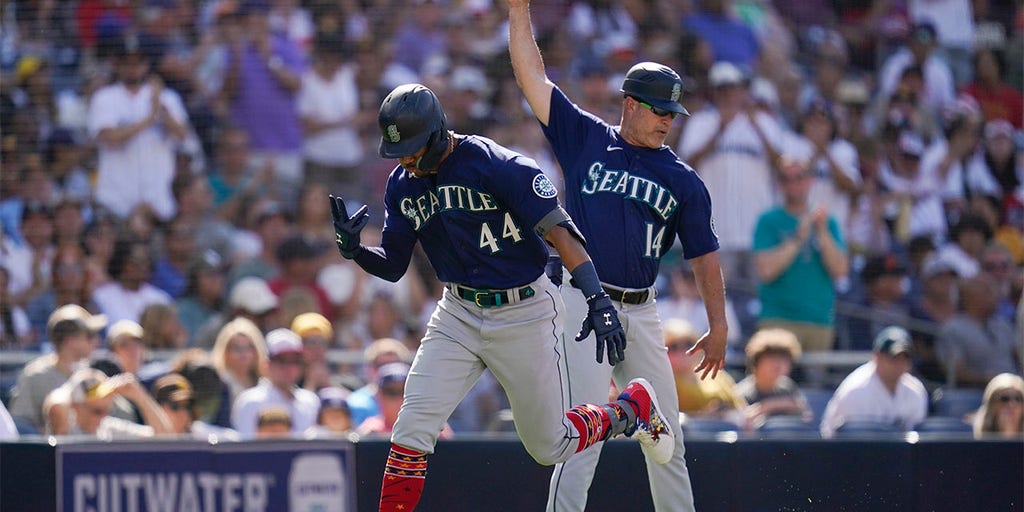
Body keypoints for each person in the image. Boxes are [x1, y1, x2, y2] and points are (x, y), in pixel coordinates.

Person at [329, 83, 671, 512]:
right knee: (411, 429)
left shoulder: (499, 164)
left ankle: (628, 409)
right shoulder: (403, 184)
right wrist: (356, 251)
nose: (405, 160)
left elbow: (562, 236)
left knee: (549, 446)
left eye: (413, 149)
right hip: (457, 313)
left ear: (437, 134)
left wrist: (597, 300)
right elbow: (395, 264)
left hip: (524, 309)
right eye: (399, 152)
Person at [508, 5, 729, 509]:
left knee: (667, 439)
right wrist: (519, 10)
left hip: (642, 309)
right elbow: (532, 76)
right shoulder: (585, 136)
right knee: (581, 438)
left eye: (673, 113)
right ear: (629, 104)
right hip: (584, 303)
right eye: (658, 110)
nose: (668, 121)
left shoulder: (683, 180)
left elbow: (705, 256)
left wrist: (718, 325)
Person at [752, 157, 850, 353]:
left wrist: (822, 232)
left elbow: (840, 270)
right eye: (786, 178)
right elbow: (766, 271)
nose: (793, 183)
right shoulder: (768, 221)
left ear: (810, 180)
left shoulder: (827, 222)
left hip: (819, 321)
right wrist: (798, 238)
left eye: (799, 177)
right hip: (777, 320)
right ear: (779, 183)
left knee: (816, 384)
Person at [9, 304, 106, 432]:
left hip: (91, 448)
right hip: (54, 450)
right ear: (70, 341)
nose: (96, 341)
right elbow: (20, 424)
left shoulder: (91, 373)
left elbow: (115, 417)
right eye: (89, 336)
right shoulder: (35, 375)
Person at [819, 326, 929, 438]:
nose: (899, 364)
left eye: (904, 358)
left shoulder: (915, 390)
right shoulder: (855, 390)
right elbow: (833, 437)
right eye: (894, 358)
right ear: (876, 357)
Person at [231, 327, 319, 437]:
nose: (289, 367)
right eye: (282, 361)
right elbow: (245, 449)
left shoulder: (310, 401)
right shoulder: (250, 401)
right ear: (266, 364)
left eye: (295, 361)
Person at [664, 319, 746, 427]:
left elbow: (740, 407)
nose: (683, 350)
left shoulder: (716, 373)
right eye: (674, 346)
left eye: (689, 344)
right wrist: (706, 415)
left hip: (727, 433)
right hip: (689, 437)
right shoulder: (662, 380)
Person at [735, 328, 812, 428]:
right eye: (772, 359)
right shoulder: (742, 392)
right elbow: (742, 421)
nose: (778, 365)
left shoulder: (787, 386)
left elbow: (806, 415)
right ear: (757, 362)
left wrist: (769, 406)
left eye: (784, 360)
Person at [355, 362, 454, 439]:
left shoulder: (432, 428)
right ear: (379, 396)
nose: (399, 399)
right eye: (391, 392)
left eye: (405, 391)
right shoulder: (370, 431)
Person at [973, 373, 1024, 439]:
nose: (1012, 404)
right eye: (1004, 399)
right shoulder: (978, 445)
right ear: (992, 405)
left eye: (1018, 398)